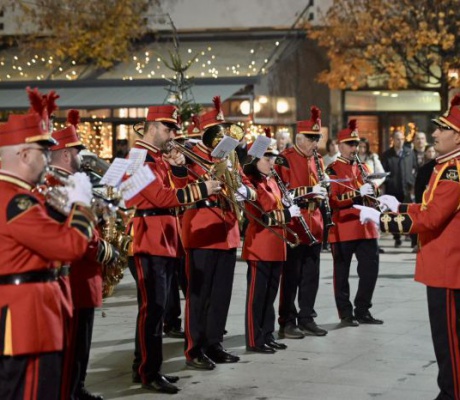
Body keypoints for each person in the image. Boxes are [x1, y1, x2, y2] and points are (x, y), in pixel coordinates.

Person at [355, 95, 460, 400]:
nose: (435, 133)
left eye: (442, 128)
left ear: (457, 134)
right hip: (445, 266)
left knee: (448, 341)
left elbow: (432, 218)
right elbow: (430, 207)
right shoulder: (447, 166)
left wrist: (383, 220)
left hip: (448, 268)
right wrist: (398, 205)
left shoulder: (453, 170)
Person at [0, 94, 96, 400]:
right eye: (45, 152)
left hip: (33, 312)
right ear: (25, 154)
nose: (49, 159)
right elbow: (68, 247)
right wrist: (81, 206)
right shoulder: (17, 200)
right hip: (28, 318)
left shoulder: (21, 195)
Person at [125, 105, 222, 394]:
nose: (172, 135)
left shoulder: (156, 158)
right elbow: (160, 196)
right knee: (152, 309)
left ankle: (144, 365)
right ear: (152, 126)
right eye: (168, 129)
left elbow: (177, 188)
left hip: (165, 239)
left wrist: (180, 167)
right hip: (148, 238)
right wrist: (204, 190)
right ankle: (148, 371)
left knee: (156, 309)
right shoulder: (138, 157)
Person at [182, 96, 256, 370]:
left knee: (222, 294)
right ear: (205, 132)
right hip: (202, 232)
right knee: (199, 295)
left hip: (228, 232)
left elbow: (246, 181)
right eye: (217, 131)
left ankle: (214, 343)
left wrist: (246, 191)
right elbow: (183, 189)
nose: (222, 137)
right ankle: (194, 349)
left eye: (224, 131)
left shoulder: (230, 156)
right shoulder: (191, 158)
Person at [48, 110, 117, 400]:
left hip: (86, 276)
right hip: (76, 274)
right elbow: (70, 234)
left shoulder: (73, 183)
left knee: (82, 342)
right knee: (74, 343)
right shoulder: (58, 186)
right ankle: (70, 392)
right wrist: (104, 251)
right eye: (77, 151)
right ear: (65, 154)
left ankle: (78, 387)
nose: (81, 157)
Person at [242, 135, 300, 353]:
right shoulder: (250, 183)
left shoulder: (273, 180)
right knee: (257, 297)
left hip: (277, 245)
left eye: (273, 157)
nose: (271, 162)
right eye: (267, 158)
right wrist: (286, 211)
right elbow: (262, 210)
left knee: (270, 295)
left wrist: (288, 202)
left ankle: (267, 334)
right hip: (259, 246)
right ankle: (255, 339)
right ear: (255, 159)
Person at [274, 106, 328, 339]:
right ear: (300, 138)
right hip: (295, 223)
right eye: (312, 140)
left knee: (311, 275)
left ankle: (307, 317)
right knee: (291, 276)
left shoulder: (317, 159)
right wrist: (309, 190)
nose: (316, 145)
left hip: (315, 221)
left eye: (317, 140)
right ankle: (287, 320)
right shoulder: (285, 159)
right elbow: (281, 192)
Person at [325, 119, 383, 327]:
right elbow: (333, 200)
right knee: (341, 273)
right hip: (344, 227)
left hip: (367, 227)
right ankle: (345, 313)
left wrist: (375, 193)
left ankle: (363, 309)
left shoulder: (364, 166)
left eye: (356, 144)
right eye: (350, 144)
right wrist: (356, 193)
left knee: (370, 271)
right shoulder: (332, 169)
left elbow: (372, 193)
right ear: (340, 146)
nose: (354, 148)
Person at [381, 130, 417, 247]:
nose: (400, 141)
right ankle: (397, 237)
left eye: (402, 139)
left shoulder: (409, 153)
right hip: (393, 189)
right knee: (394, 214)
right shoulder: (387, 155)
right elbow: (383, 173)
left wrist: (412, 182)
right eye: (397, 139)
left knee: (408, 214)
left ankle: (412, 239)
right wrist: (388, 182)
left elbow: (414, 168)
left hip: (407, 189)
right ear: (393, 140)